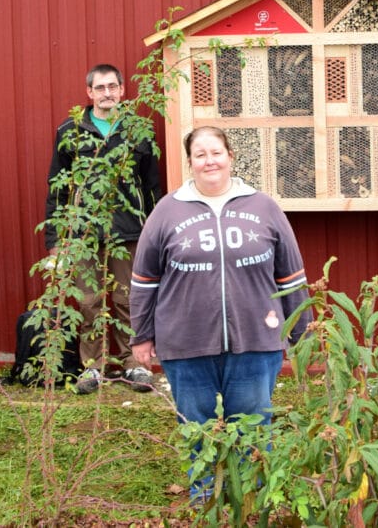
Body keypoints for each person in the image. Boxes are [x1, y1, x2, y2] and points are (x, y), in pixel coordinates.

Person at [129, 126, 310, 501]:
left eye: (216, 152)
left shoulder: (264, 207)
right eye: (200, 154)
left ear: (230, 156)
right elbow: (144, 279)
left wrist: (301, 332)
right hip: (186, 343)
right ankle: (205, 496)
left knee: (255, 425)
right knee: (197, 428)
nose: (209, 160)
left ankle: (255, 498)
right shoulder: (167, 211)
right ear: (190, 162)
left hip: (256, 339)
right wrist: (142, 335)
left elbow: (292, 276)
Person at [45, 63, 161, 394]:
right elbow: (57, 186)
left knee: (129, 299)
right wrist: (56, 238)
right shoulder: (70, 131)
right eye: (100, 88)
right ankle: (92, 368)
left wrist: (155, 233)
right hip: (83, 234)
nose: (107, 93)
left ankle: (135, 365)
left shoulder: (139, 130)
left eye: (112, 87)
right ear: (89, 93)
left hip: (130, 233)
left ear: (123, 90)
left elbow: (152, 186)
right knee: (90, 301)